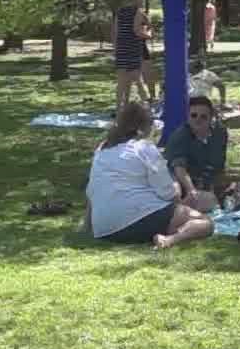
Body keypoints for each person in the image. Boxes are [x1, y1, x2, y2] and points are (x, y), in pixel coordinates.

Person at [84, 102, 214, 248]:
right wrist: (178, 188)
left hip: (104, 229)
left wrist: (87, 226)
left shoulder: (102, 148)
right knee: (205, 223)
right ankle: (171, 240)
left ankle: (168, 235)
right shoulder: (143, 147)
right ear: (145, 126)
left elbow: (92, 191)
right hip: (140, 219)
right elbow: (170, 195)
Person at [162, 95, 229, 212]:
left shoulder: (220, 133)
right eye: (193, 115)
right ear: (187, 116)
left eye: (203, 116)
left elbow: (219, 166)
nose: (198, 119)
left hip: (203, 181)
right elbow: (179, 169)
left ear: (211, 118)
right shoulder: (180, 136)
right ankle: (176, 211)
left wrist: (220, 188)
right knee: (180, 191)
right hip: (176, 181)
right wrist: (192, 191)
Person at [111, 0, 153, 109]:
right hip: (133, 49)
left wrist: (116, 48)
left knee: (121, 82)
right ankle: (148, 108)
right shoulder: (138, 12)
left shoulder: (120, 12)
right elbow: (137, 31)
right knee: (138, 80)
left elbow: (116, 32)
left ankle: (119, 111)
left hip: (121, 49)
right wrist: (149, 34)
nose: (142, 0)